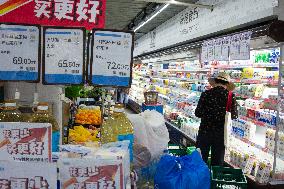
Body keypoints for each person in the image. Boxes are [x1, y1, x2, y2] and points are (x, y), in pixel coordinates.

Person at [195, 72, 238, 166]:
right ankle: (215, 178)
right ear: (227, 84)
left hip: (205, 131)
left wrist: (208, 113)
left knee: (200, 160)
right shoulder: (230, 96)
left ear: (215, 82)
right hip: (220, 134)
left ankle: (200, 179)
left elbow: (197, 113)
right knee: (217, 163)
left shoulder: (205, 94)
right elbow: (234, 116)